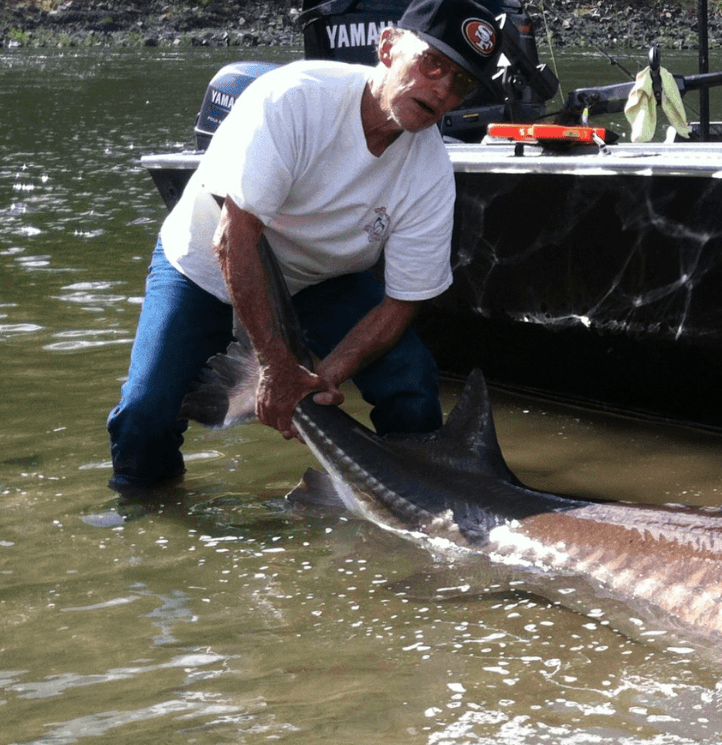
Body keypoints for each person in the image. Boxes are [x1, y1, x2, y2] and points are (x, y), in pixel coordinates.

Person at [107, 0, 505, 496]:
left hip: (321, 278)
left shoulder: (430, 171)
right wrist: (275, 367)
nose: (442, 89)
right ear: (387, 47)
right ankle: (148, 512)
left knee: (412, 381)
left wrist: (318, 379)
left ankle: (412, 514)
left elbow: (402, 303)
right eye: (432, 64)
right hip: (206, 265)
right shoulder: (295, 98)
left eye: (461, 84)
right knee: (145, 416)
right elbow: (233, 239)